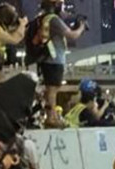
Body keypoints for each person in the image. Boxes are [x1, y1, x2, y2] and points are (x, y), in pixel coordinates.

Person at [35, 0, 85, 128]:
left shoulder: (44, 18)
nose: (62, 8)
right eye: (60, 5)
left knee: (50, 90)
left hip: (47, 59)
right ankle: (52, 118)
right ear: (55, 5)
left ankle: (51, 116)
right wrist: (81, 27)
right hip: (54, 59)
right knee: (53, 90)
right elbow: (72, 35)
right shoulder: (54, 20)